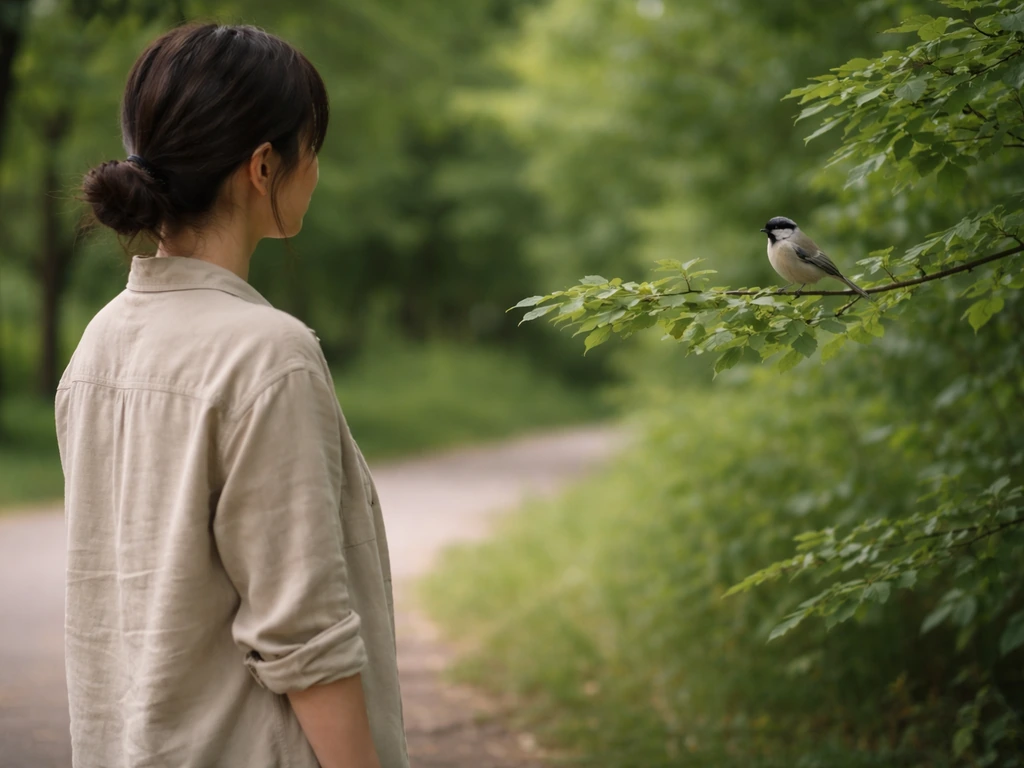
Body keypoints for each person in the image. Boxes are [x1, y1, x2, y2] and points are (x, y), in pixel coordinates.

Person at [55, 23, 408, 768]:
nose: (317, 172)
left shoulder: (99, 344)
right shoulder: (268, 355)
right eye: (313, 149)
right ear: (264, 165)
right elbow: (303, 635)